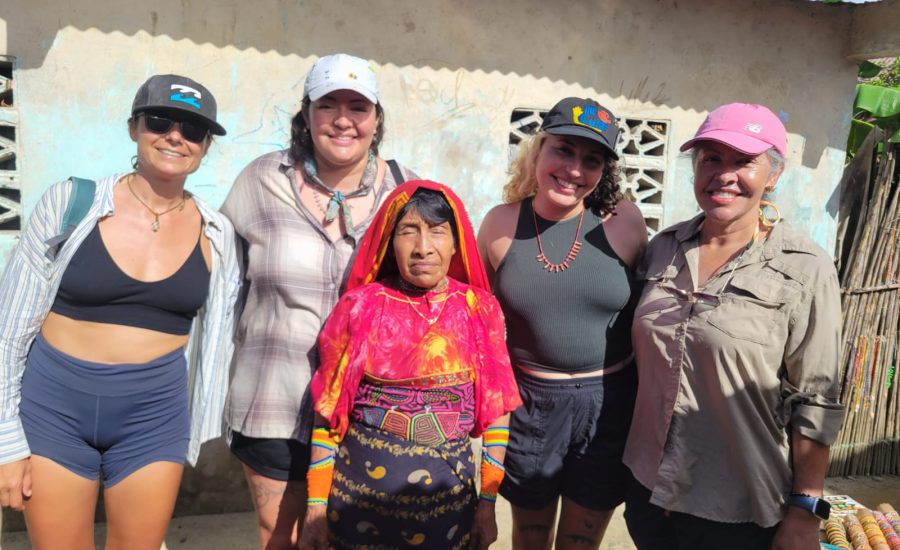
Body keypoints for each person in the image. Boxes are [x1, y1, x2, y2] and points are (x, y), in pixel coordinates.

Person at [0, 74, 240, 549]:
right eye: (160, 121)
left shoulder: (218, 234)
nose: (176, 136)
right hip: (54, 408)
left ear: (206, 146)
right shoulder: (72, 204)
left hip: (153, 415)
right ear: (134, 127)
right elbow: (8, 330)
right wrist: (6, 439)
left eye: (193, 130)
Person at [622, 103, 845, 550]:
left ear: (773, 175)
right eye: (711, 158)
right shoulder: (664, 248)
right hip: (648, 492)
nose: (724, 174)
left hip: (735, 508)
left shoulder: (803, 269)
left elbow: (816, 400)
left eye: (744, 161)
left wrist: (806, 510)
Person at [221, 53, 417, 549]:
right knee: (281, 537)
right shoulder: (261, 181)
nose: (344, 119)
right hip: (275, 398)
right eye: (328, 104)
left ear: (377, 120)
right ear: (306, 115)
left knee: (365, 537)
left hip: (372, 407)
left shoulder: (406, 192)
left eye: (358, 106)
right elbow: (218, 277)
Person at [298, 180, 523, 550]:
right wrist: (316, 508)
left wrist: (487, 503)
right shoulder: (360, 307)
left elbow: (497, 412)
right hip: (358, 510)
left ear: (456, 244)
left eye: (437, 232)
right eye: (408, 231)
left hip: (447, 514)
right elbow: (329, 413)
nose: (423, 248)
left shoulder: (479, 310)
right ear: (391, 240)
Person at [477, 97, 648, 549]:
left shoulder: (625, 223)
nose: (574, 169)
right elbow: (481, 326)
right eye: (563, 150)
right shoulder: (498, 226)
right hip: (531, 402)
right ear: (538, 151)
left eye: (591, 160)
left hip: (608, 402)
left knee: (580, 537)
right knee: (530, 533)